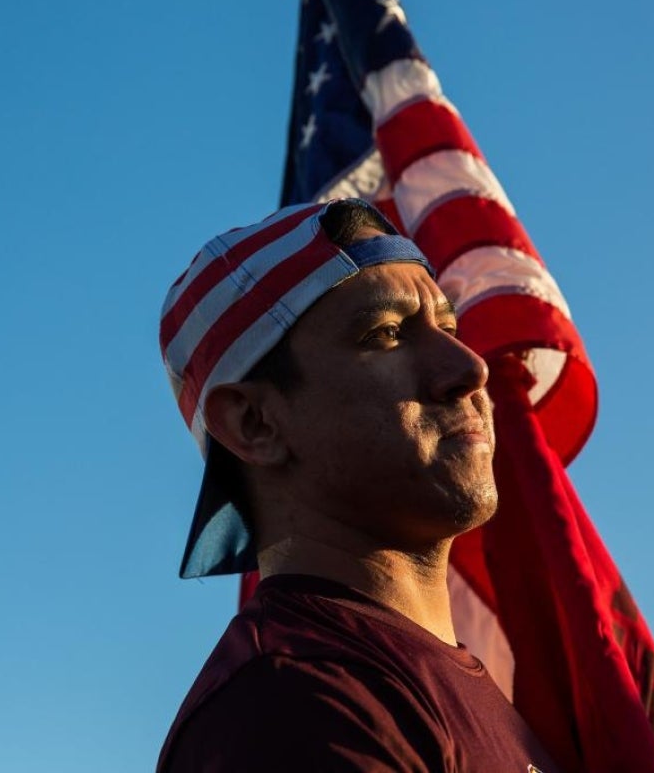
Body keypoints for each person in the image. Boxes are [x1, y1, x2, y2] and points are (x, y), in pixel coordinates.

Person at [156, 199, 563, 772]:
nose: (471, 368)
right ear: (254, 423)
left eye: (448, 327)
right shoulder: (297, 704)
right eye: (387, 333)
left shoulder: (414, 682)